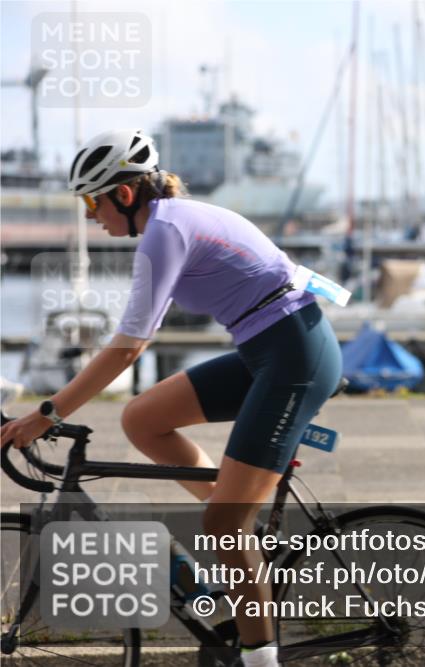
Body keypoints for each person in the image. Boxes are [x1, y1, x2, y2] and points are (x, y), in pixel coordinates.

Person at [0, 129, 342, 667]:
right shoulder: (171, 222)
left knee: (224, 527)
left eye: (93, 201)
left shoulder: (165, 232)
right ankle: (236, 545)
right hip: (268, 349)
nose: (91, 216)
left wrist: (47, 413)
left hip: (294, 353)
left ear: (125, 195)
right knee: (142, 418)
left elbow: (127, 349)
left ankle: (259, 653)